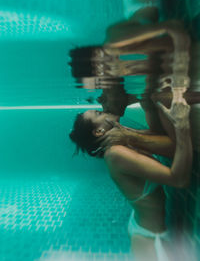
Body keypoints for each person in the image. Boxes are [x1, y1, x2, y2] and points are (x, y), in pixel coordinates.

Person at [69, 91, 192, 260]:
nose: (104, 110)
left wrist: (143, 98)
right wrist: (182, 126)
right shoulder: (115, 153)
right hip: (151, 237)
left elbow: (162, 140)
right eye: (99, 113)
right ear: (99, 131)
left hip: (146, 225)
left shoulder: (121, 138)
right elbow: (179, 180)